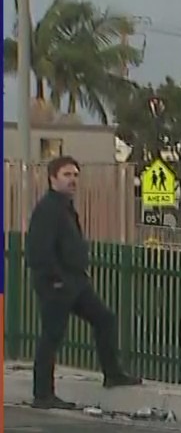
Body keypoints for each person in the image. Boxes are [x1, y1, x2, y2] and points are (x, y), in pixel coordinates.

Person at [24, 155, 141, 409]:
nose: (73, 180)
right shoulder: (47, 209)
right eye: (67, 175)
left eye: (76, 175)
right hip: (56, 284)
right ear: (53, 178)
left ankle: (113, 374)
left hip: (76, 282)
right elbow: (38, 250)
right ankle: (42, 394)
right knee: (52, 335)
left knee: (104, 319)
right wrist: (56, 279)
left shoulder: (66, 207)